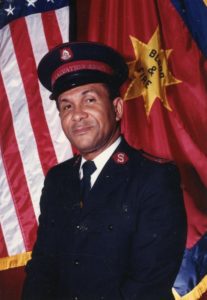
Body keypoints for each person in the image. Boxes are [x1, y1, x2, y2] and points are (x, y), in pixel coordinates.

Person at [22, 41, 187, 300]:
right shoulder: (58, 180)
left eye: (89, 100)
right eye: (66, 106)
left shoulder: (154, 178)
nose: (77, 115)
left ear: (117, 108)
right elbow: (43, 267)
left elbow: (148, 285)